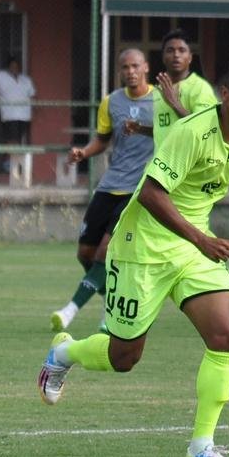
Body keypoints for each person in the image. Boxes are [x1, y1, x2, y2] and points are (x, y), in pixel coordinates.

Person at [36, 54, 229, 457]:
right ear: (224, 94)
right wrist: (203, 239)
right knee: (124, 358)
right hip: (142, 246)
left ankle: (200, 447)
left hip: (191, 250)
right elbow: (151, 194)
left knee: (226, 338)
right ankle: (64, 354)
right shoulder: (193, 132)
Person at [49, 48, 157, 333]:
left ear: (145, 67)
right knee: (85, 253)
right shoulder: (111, 102)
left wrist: (144, 129)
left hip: (138, 190)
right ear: (120, 70)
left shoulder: (161, 101)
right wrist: (83, 153)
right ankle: (120, 305)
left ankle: (69, 311)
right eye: (125, 67)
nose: (130, 71)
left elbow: (172, 135)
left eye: (135, 66)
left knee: (104, 252)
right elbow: (103, 140)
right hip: (110, 185)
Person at [149, 28, 218, 135]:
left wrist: (174, 103)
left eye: (182, 50)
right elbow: (163, 130)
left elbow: (205, 127)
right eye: (170, 50)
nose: (176, 55)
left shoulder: (200, 87)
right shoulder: (158, 90)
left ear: (190, 57)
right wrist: (139, 129)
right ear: (163, 57)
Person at [0, 56, 36, 146]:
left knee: (18, 139)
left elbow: (32, 96)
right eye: (12, 66)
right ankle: (12, 159)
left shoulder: (26, 80)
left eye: (17, 66)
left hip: (24, 116)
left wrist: (33, 111)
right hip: (8, 115)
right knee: (11, 140)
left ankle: (12, 159)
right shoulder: (0, 76)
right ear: (8, 67)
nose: (15, 68)